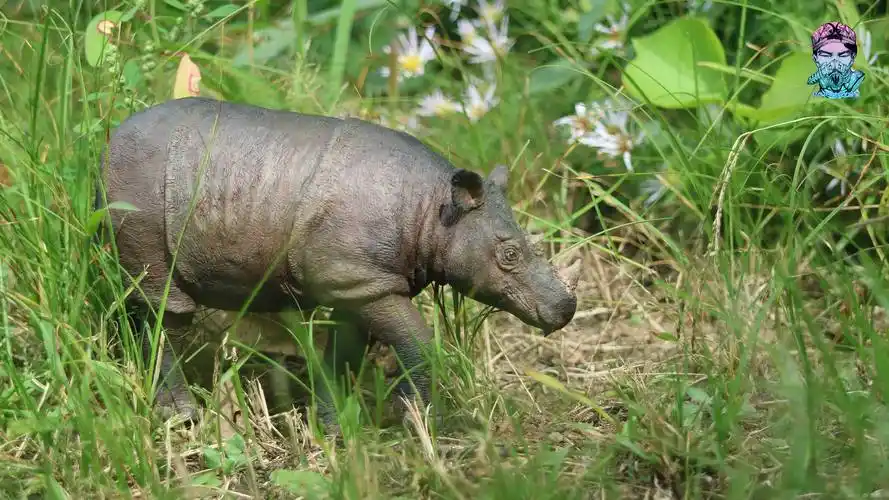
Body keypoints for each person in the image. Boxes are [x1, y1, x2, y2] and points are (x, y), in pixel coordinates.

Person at [807, 21, 865, 99]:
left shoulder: (856, 78)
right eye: (826, 55)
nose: (835, 62)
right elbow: (810, 81)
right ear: (815, 59)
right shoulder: (814, 84)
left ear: (853, 57)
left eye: (843, 55)